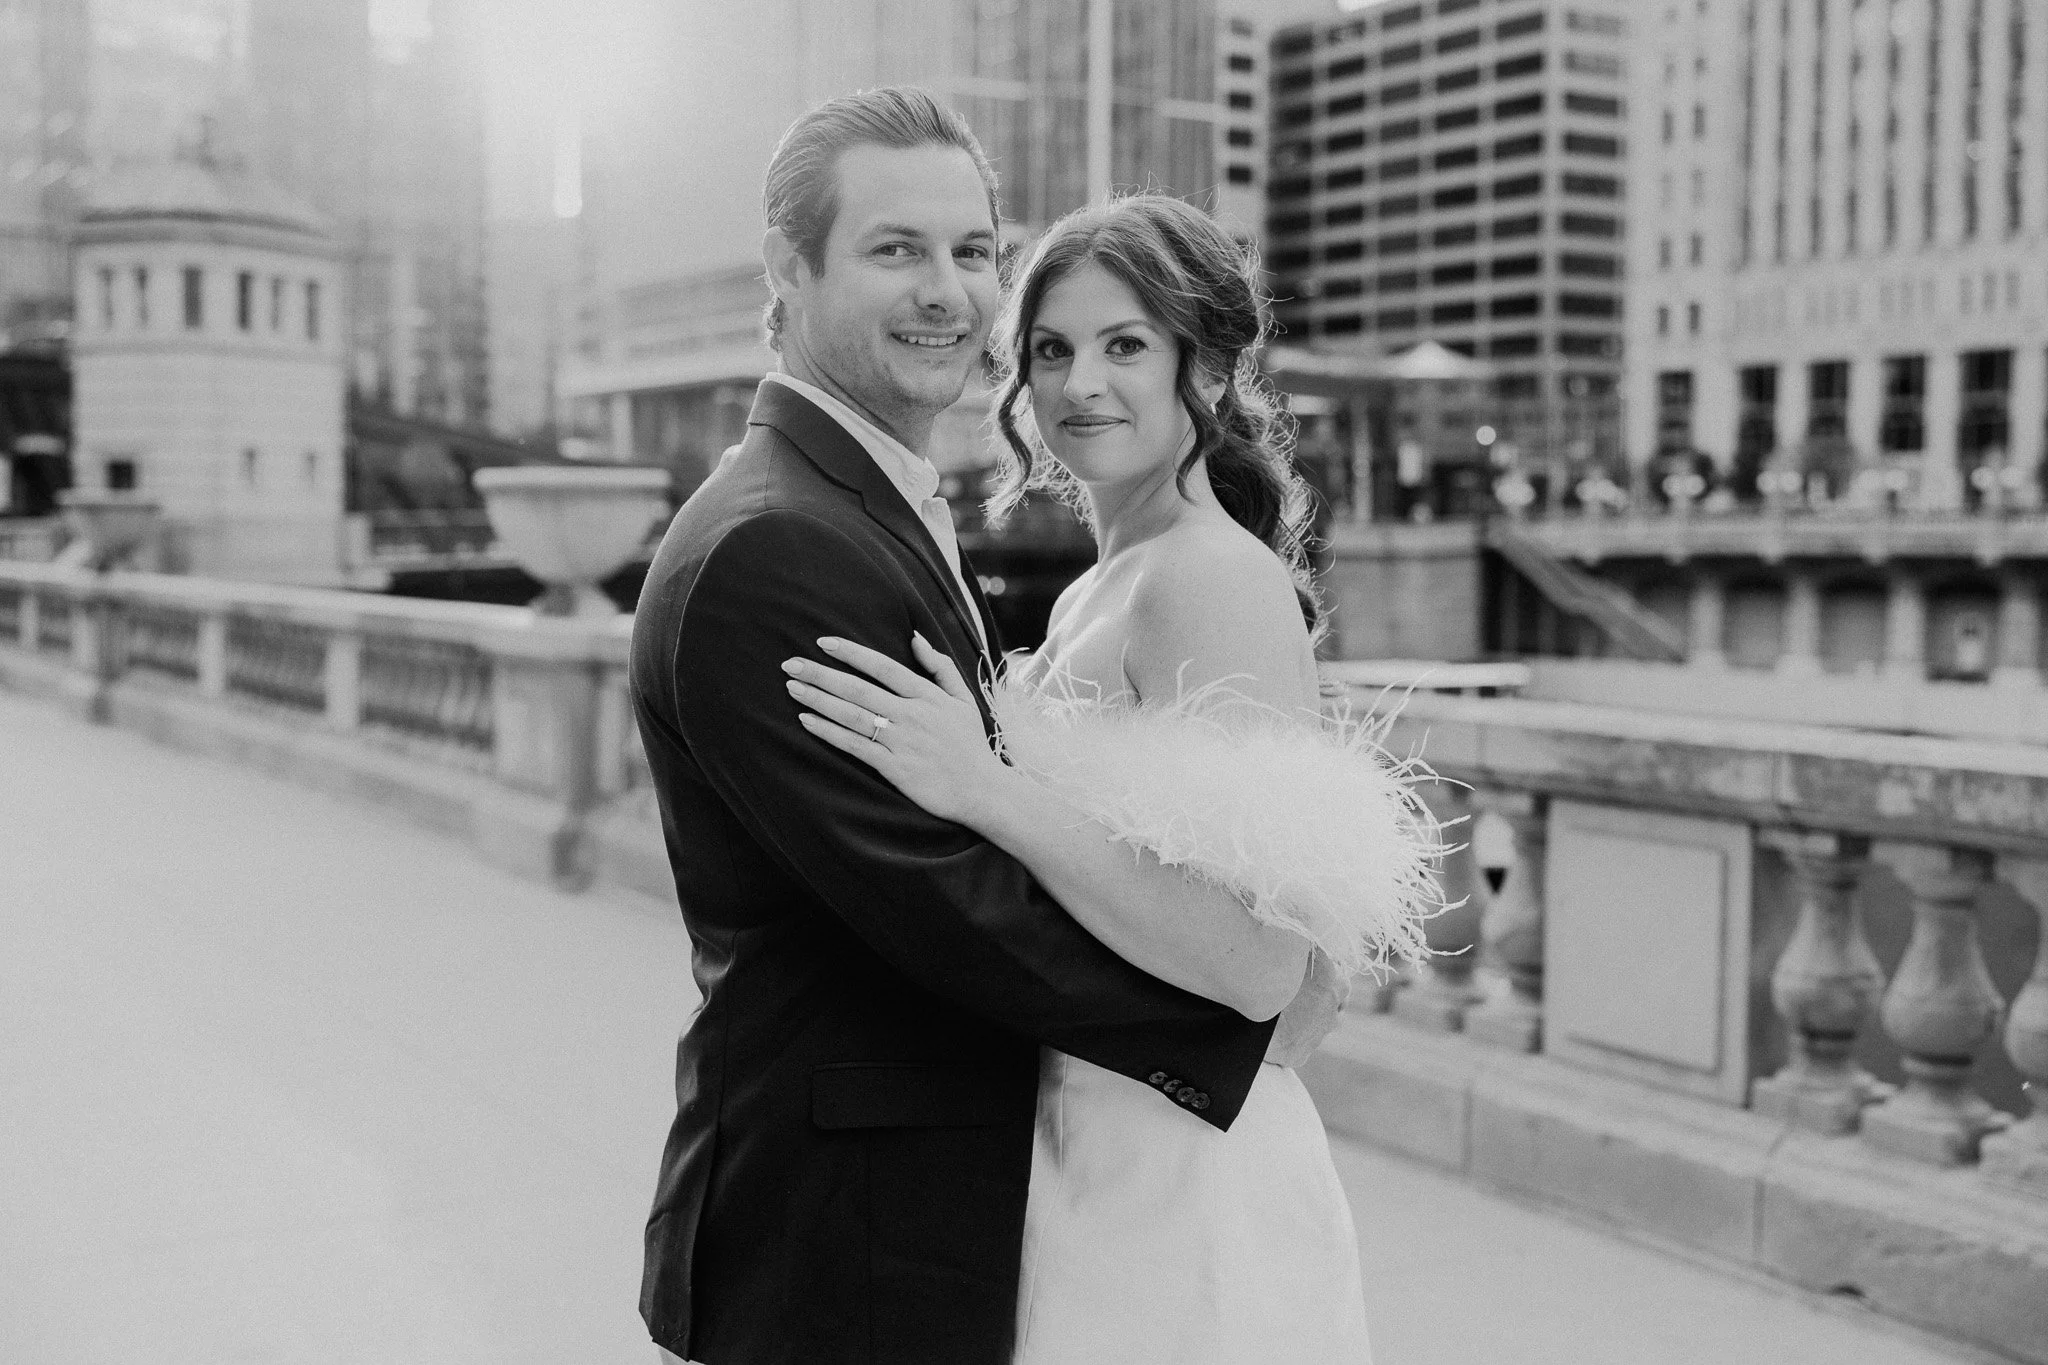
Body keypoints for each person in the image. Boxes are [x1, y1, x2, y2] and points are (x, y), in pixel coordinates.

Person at [628, 88, 1349, 1365]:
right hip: (869, 1218)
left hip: (1131, 1165)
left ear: (1204, 362)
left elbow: (1243, 930)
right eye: (895, 248)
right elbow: (950, 903)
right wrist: (1241, 1017)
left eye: (970, 253)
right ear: (789, 273)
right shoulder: (782, 541)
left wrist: (1260, 984)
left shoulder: (1189, 573)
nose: (945, 292)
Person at [783, 192, 1442, 1363]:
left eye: (1124, 344)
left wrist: (986, 788)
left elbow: (1254, 968)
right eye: (1051, 349)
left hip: (1186, 1188)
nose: (1081, 383)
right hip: (1085, 1144)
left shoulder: (1208, 580)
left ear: (1206, 365)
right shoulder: (1104, 583)